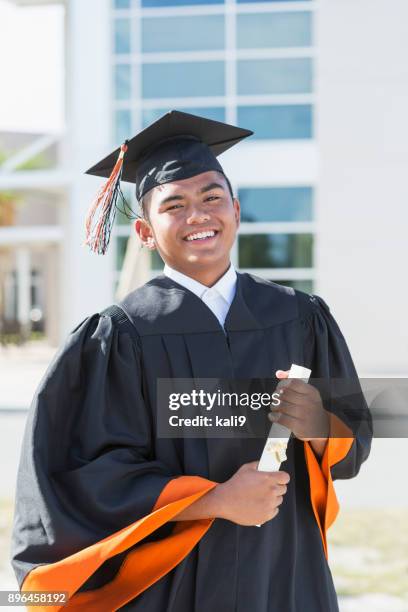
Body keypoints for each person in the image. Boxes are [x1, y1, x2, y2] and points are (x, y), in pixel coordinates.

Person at [11, 110, 372, 612]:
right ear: (143, 231)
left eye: (211, 197)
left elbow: (355, 443)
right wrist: (215, 501)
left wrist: (321, 423)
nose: (198, 215)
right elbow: (79, 475)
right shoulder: (117, 336)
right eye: (174, 204)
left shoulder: (299, 317)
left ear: (237, 211)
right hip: (170, 581)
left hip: (283, 569)